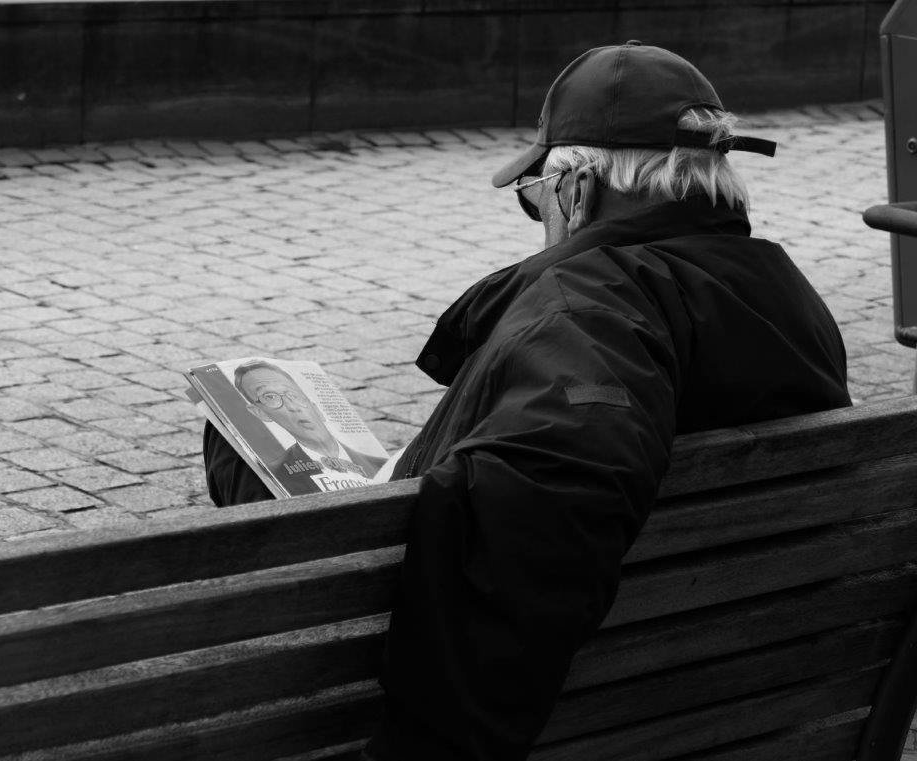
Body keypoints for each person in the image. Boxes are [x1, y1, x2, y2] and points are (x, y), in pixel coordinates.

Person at [359, 43, 852, 761]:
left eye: (534, 195)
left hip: (574, 712)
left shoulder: (591, 304)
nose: (539, 215)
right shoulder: (780, 291)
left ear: (578, 190)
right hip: (746, 684)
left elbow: (558, 479)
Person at [204, 360, 386, 503]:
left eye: (293, 394)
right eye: (270, 397)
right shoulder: (272, 476)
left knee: (218, 425)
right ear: (260, 413)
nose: (293, 407)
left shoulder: (382, 467)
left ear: (315, 406)